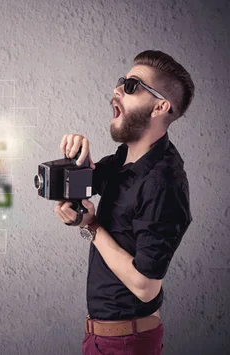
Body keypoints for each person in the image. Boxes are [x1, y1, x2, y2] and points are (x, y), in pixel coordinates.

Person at [54, 50, 194, 355]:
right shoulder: (126, 159)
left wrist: (91, 226)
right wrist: (76, 158)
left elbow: (146, 287)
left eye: (132, 86)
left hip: (126, 344)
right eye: (122, 81)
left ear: (160, 106)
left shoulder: (163, 182)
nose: (118, 89)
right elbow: (90, 180)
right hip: (103, 338)